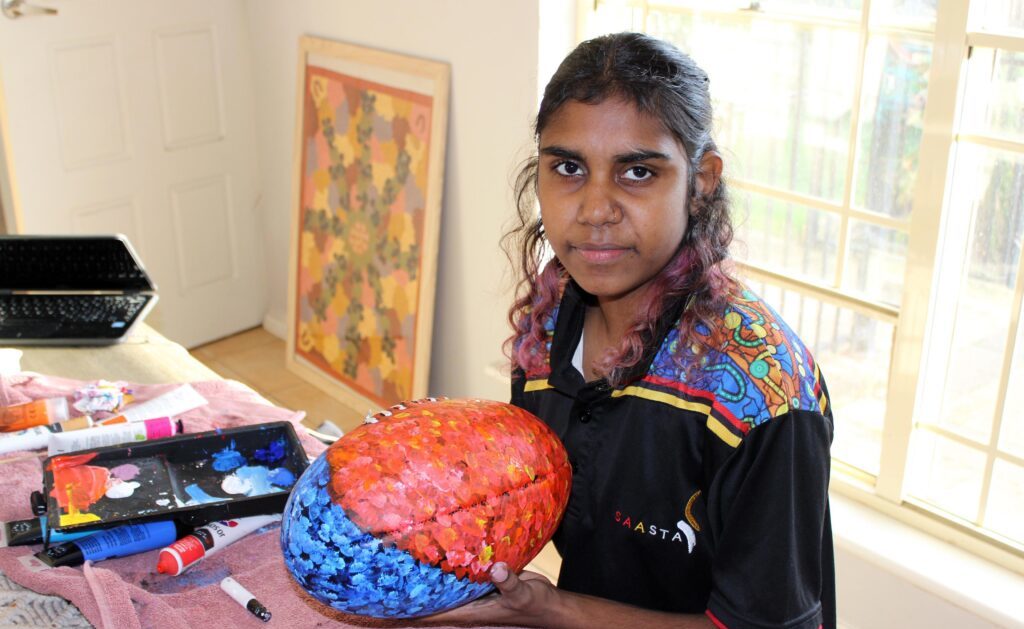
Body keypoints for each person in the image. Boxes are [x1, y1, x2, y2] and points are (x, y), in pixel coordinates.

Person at [434, 32, 835, 629]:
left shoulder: (764, 399)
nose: (595, 209)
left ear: (701, 181)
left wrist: (554, 610)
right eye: (568, 167)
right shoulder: (547, 330)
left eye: (638, 172)